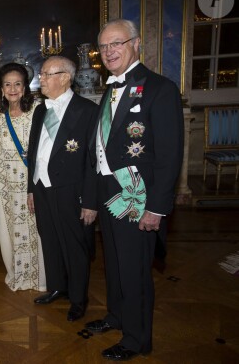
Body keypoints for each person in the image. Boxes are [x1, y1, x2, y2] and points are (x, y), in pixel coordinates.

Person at [85, 19, 184, 361]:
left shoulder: (160, 88)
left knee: (135, 269)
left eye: (116, 43)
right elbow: (102, 146)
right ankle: (117, 316)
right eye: (104, 46)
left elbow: (170, 153)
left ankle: (137, 338)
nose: (109, 51)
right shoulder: (109, 89)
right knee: (114, 264)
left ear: (136, 43)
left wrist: (157, 208)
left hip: (137, 197)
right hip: (109, 193)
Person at [27, 56, 98, 322]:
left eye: (46, 74)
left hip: (71, 190)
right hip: (42, 187)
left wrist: (90, 201)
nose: (41, 79)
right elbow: (33, 153)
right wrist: (31, 189)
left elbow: (94, 160)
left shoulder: (87, 111)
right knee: (50, 240)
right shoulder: (40, 110)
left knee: (74, 246)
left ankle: (79, 299)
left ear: (65, 78)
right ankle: (58, 286)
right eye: (41, 74)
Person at [0, 62, 46, 292]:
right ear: (1, 89)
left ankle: (39, 277)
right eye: (7, 84)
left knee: (35, 230)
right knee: (11, 229)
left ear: (25, 87)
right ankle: (18, 274)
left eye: (17, 84)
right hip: (6, 182)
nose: (12, 89)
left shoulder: (38, 110)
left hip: (30, 180)